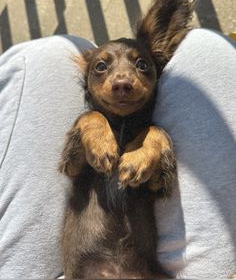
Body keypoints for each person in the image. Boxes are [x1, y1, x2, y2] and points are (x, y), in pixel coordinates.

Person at [0, 29, 235, 278]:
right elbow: (71, 166)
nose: (122, 80)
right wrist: (89, 124)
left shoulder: (153, 136)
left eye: (141, 65)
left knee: (41, 57)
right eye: (101, 67)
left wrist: (156, 143)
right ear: (87, 82)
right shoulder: (90, 124)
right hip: (87, 272)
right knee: (207, 47)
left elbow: (160, 186)